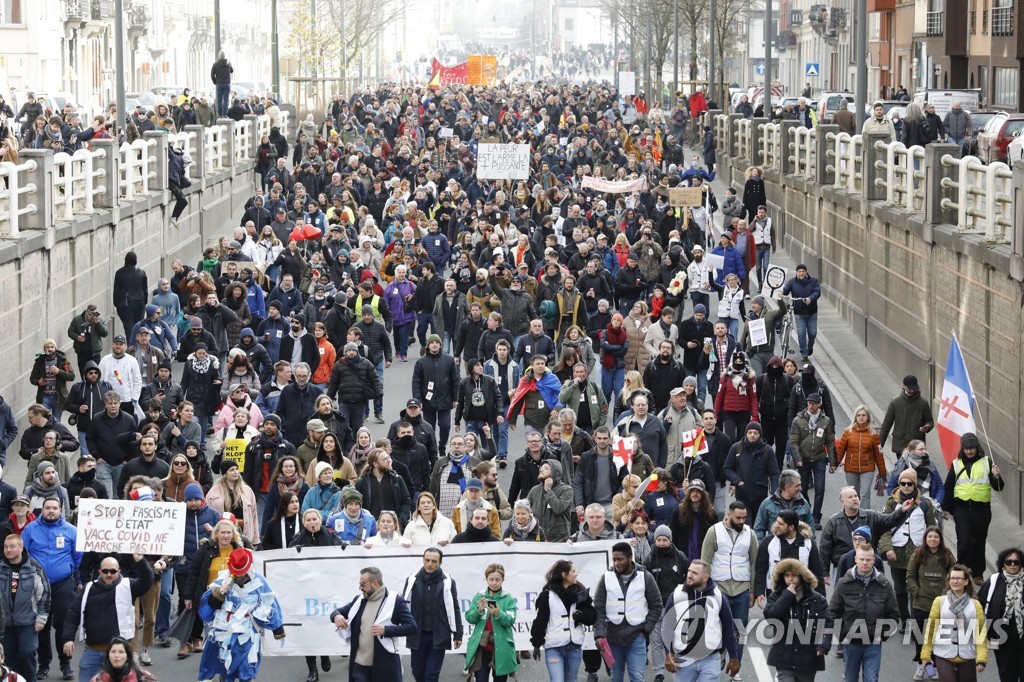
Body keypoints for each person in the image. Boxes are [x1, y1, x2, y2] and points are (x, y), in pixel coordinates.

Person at [196, 548, 285, 682]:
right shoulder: (224, 579)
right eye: (236, 573)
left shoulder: (259, 581)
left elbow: (270, 603)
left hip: (246, 632)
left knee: (247, 666)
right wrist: (218, 594)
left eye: (241, 573)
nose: (238, 576)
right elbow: (208, 606)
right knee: (222, 662)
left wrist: (277, 628)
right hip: (223, 629)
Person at [62, 552, 153, 682]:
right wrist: (68, 638)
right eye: (105, 571)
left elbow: (147, 581)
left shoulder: (129, 585)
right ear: (99, 572)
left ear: (119, 571)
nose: (109, 574)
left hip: (119, 653)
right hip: (92, 651)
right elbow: (73, 613)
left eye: (113, 571)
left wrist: (141, 561)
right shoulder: (88, 588)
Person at [21, 497, 80, 681]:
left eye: (55, 508)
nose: (51, 511)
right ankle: (44, 664)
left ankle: (65, 663)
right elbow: (23, 555)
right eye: (48, 508)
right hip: (37, 584)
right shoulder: (30, 529)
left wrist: (78, 578)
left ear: (60, 510)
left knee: (63, 623)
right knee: (41, 625)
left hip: (63, 584)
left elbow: (78, 557)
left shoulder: (71, 530)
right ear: (42, 509)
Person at [331, 566, 417, 682]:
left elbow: (412, 627)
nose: (360, 588)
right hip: (359, 666)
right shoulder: (359, 599)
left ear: (374, 583)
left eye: (363, 584)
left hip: (385, 667)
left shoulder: (395, 601)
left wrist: (386, 630)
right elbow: (338, 612)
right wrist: (337, 616)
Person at [662, 559, 741, 682]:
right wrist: (668, 653)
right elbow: (667, 626)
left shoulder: (719, 597)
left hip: (710, 659)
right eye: (689, 571)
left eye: (694, 573)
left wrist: (734, 657)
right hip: (683, 659)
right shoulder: (677, 595)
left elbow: (728, 628)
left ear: (705, 577)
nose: (689, 575)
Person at [829, 545, 901, 682]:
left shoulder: (884, 584)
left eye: (868, 559)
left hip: (873, 643)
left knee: (871, 679)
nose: (865, 563)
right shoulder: (843, 583)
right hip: (851, 643)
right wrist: (841, 636)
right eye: (861, 559)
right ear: (856, 559)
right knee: (850, 679)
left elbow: (894, 615)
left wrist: (882, 636)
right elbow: (833, 613)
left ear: (873, 560)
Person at [594, 542, 663, 682]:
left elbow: (656, 606)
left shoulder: (646, 577)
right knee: (616, 678)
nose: (616, 563)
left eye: (620, 559)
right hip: (612, 637)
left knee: (637, 678)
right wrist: (599, 634)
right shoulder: (606, 578)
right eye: (614, 559)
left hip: (637, 637)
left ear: (630, 558)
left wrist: (646, 630)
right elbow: (598, 609)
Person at [701, 501, 758, 666]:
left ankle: (736, 665)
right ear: (729, 515)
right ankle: (720, 653)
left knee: (739, 631)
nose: (742, 521)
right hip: (719, 590)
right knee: (717, 629)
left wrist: (753, 591)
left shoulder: (750, 534)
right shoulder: (714, 532)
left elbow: (755, 563)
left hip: (742, 590)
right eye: (738, 518)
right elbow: (705, 561)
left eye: (744, 518)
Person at [944, 432, 1003, 582]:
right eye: (966, 448)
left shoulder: (987, 462)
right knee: (964, 540)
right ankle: (962, 570)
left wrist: (997, 476)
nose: (969, 451)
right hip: (961, 509)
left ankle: (978, 573)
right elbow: (949, 486)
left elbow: (998, 487)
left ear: (977, 447)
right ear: (962, 449)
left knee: (979, 540)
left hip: (981, 509)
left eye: (972, 448)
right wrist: (947, 508)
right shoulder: (956, 463)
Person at [762, 558, 833, 682]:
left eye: (794, 575)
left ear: (801, 576)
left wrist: (823, 646)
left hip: (808, 659)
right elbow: (771, 616)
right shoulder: (776, 596)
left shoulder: (817, 599)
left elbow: (827, 622)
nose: (790, 578)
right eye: (787, 575)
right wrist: (787, 596)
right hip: (784, 658)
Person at [401, 548, 463, 682]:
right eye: (427, 560)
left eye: (434, 561)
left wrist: (458, 634)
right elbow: (404, 606)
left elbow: (455, 608)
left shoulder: (448, 582)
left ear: (440, 563)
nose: (429, 564)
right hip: (417, 635)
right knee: (417, 671)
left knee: (431, 674)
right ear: (423, 560)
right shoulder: (412, 580)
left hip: (439, 634)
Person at [530, 559, 597, 682]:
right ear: (564, 575)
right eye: (573, 571)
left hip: (574, 647)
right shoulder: (547, 596)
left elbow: (592, 616)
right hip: (554, 647)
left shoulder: (581, 594)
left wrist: (582, 615)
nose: (576, 574)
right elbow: (540, 621)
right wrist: (536, 645)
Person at [920, 565, 989, 682]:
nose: (955, 581)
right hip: (943, 653)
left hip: (968, 654)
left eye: (959, 578)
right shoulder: (939, 601)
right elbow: (931, 629)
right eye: (952, 578)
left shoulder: (975, 605)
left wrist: (981, 658)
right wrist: (925, 655)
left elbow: (981, 633)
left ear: (966, 581)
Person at [0, 533, 49, 682]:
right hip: (6, 623)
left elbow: (44, 593)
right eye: (6, 547)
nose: (8, 550)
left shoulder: (34, 567)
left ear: (21, 547)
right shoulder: (1, 567)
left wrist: (41, 618)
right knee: (9, 658)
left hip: (28, 622)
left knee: (27, 653)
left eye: (12, 546)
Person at [908, 527, 956, 677]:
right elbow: (910, 576)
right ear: (925, 538)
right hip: (920, 603)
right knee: (920, 636)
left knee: (938, 638)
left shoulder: (947, 555)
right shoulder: (918, 554)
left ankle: (934, 667)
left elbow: (955, 575)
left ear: (940, 539)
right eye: (930, 537)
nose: (933, 540)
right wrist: (917, 591)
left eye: (936, 537)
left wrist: (947, 595)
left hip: (941, 605)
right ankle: (922, 666)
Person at [754, 508, 824, 601]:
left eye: (781, 524)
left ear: (791, 527)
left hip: (801, 595)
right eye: (777, 522)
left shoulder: (808, 543)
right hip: (775, 594)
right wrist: (759, 592)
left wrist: (821, 598)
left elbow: (817, 572)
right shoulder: (768, 542)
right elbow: (760, 569)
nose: (776, 525)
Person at [790, 393, 836, 529]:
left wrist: (833, 463)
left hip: (819, 458)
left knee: (820, 489)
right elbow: (793, 442)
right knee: (801, 489)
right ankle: (806, 508)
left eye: (814, 403)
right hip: (803, 460)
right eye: (809, 403)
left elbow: (831, 442)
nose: (811, 406)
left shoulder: (825, 421)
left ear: (819, 405)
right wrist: (797, 459)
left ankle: (816, 517)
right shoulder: (798, 420)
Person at [979, 547, 1024, 682]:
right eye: (1008, 562)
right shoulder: (993, 581)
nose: (1012, 565)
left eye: (1016, 562)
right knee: (1006, 674)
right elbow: (979, 604)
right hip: (1001, 638)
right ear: (1002, 563)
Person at [412, 335, 461, 446]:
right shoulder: (421, 362)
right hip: (427, 401)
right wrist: (418, 400)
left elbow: (456, 380)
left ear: (440, 345)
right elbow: (416, 383)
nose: (434, 344)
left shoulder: (448, 360)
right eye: (432, 342)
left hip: (445, 400)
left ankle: (442, 445)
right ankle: (432, 447)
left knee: (445, 425)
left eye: (437, 342)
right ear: (428, 345)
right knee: (429, 428)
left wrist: (455, 398)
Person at [836, 405, 887, 509]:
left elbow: (879, 454)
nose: (861, 417)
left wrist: (882, 472)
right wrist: (834, 464)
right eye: (858, 415)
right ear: (855, 417)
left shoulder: (874, 434)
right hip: (851, 468)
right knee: (854, 495)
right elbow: (840, 450)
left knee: (865, 494)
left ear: (868, 417)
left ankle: (865, 517)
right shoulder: (848, 432)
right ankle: (853, 514)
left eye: (863, 415)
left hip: (867, 469)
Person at [724, 422, 779, 513]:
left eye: (755, 433)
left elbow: (774, 474)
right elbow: (727, 468)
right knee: (745, 526)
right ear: (746, 434)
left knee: (758, 527)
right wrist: (737, 480)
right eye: (750, 433)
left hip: (761, 497)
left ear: (760, 435)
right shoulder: (736, 448)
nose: (752, 435)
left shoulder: (767, 450)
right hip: (742, 496)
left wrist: (775, 493)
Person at [878, 375, 935, 457]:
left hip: (917, 445)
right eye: (910, 388)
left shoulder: (923, 403)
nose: (912, 390)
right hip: (900, 445)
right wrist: (880, 444)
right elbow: (886, 425)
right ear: (904, 386)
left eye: (914, 388)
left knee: (916, 469)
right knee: (903, 469)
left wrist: (927, 427)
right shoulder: (895, 402)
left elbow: (930, 421)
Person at [752, 469, 814, 541]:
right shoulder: (767, 504)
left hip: (797, 549)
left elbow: (810, 531)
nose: (801, 488)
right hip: (774, 550)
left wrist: (812, 550)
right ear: (787, 487)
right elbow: (758, 529)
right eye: (797, 485)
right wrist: (761, 549)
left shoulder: (804, 504)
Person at [525, 461, 573, 543]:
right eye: (541, 467)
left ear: (555, 472)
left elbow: (558, 508)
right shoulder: (534, 490)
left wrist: (548, 490)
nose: (541, 469)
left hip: (558, 540)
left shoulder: (566, 490)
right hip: (537, 539)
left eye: (546, 468)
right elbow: (524, 510)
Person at [781, 264, 820, 361]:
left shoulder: (814, 281)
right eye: (799, 271)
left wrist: (810, 299)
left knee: (812, 333)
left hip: (812, 312)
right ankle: (804, 352)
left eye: (803, 271)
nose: (801, 273)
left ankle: (810, 346)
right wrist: (781, 293)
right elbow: (785, 290)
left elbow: (817, 292)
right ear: (796, 272)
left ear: (806, 272)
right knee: (801, 333)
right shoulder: (792, 282)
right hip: (799, 313)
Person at [87, 636, 156, 682]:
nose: (116, 656)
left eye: (121, 652)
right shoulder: (98, 679)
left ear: (127, 656)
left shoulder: (144, 677)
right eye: (113, 652)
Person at [112, 252, 148, 338]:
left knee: (129, 328)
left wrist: (117, 304)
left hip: (125, 304)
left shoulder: (119, 273)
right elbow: (145, 289)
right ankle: (139, 346)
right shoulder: (141, 272)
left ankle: (131, 348)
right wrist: (144, 302)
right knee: (139, 326)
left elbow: (116, 290)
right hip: (139, 302)